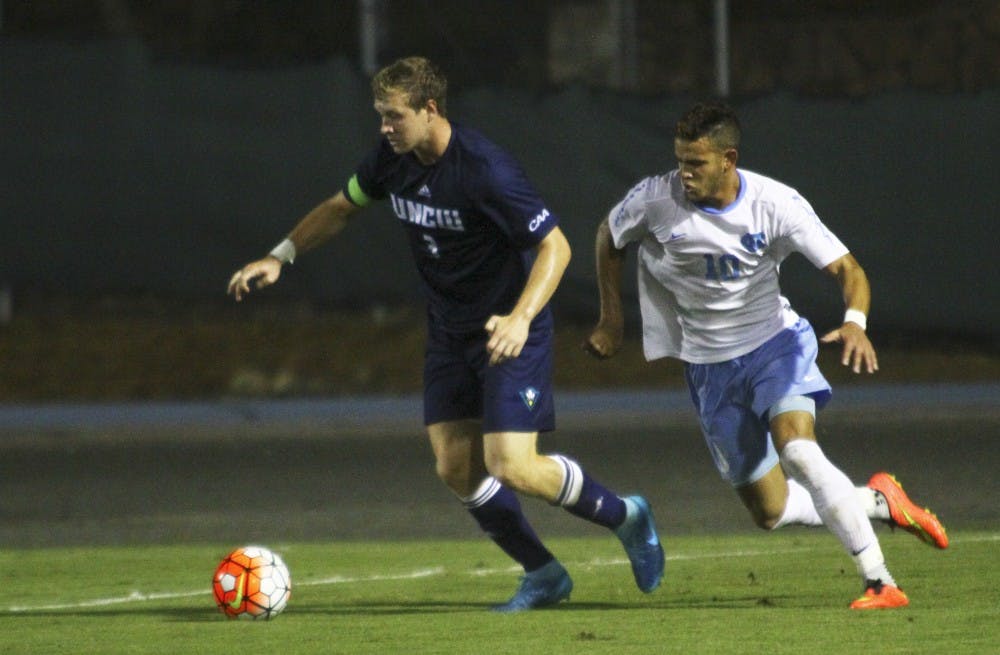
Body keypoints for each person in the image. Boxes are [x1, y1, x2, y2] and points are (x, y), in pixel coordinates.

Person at [227, 56, 664, 612]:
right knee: (456, 468)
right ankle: (544, 573)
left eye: (393, 116)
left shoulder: (484, 169)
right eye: (380, 116)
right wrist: (280, 255)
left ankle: (628, 516)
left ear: (429, 110)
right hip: (449, 332)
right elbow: (341, 208)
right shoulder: (392, 160)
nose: (384, 128)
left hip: (510, 330)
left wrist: (521, 317)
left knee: (513, 465)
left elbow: (557, 247)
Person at [585, 100, 947, 610]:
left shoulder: (776, 203)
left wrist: (854, 323)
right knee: (771, 511)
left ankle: (880, 580)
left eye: (696, 163)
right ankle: (879, 502)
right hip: (709, 368)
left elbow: (850, 271)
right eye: (680, 161)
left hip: (774, 346)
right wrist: (611, 319)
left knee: (798, 448)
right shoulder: (654, 198)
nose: (683, 174)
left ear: (728, 159)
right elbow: (608, 234)